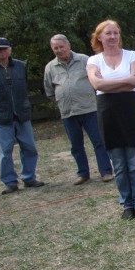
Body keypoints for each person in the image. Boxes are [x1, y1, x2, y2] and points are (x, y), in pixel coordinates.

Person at [86, 20, 135, 220]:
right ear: (99, 37)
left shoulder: (131, 55)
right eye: (108, 34)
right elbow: (96, 84)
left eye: (115, 33)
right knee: (119, 165)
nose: (112, 37)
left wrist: (108, 83)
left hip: (130, 111)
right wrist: (125, 81)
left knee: (134, 162)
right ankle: (127, 204)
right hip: (108, 114)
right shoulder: (93, 61)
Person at [44, 34, 113, 185]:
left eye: (61, 47)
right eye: (55, 48)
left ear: (68, 46)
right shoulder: (50, 67)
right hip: (68, 112)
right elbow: (49, 91)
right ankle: (83, 174)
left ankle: (106, 172)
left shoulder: (84, 60)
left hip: (89, 109)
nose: (59, 50)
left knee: (99, 141)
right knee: (76, 145)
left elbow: (98, 79)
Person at [0, 37, 44, 194]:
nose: (2, 52)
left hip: (22, 113)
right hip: (1, 117)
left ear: (10, 50)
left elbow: (25, 88)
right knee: (5, 151)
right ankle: (10, 182)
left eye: (4, 49)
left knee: (29, 147)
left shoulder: (21, 66)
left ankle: (29, 177)